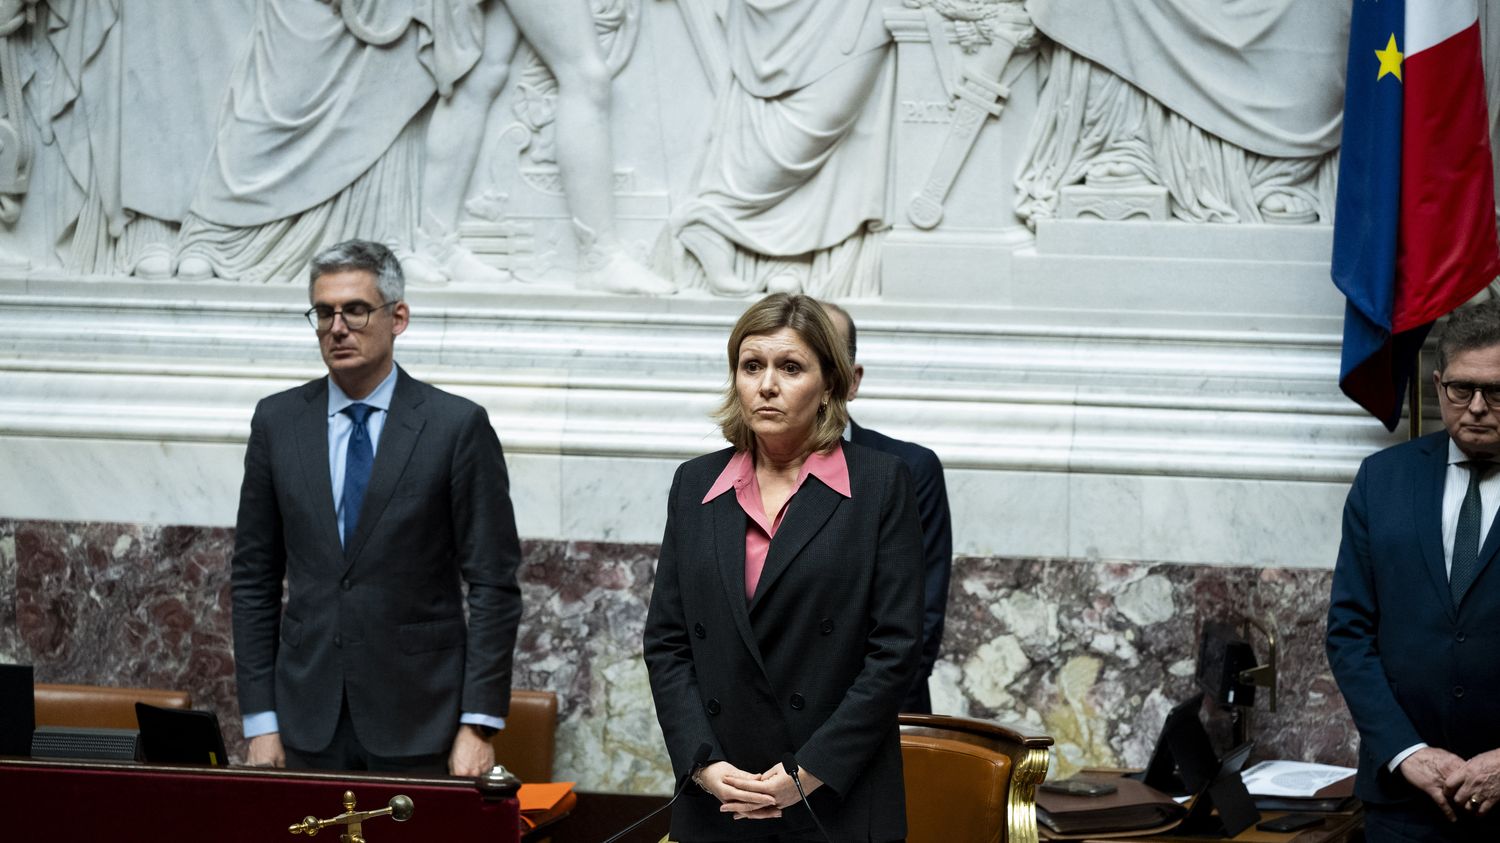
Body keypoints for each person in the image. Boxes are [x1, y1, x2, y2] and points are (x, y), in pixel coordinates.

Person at [230, 239, 524, 775]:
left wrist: (477, 725)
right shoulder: (278, 423)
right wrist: (261, 721)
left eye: (356, 310)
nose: (337, 327)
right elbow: (253, 578)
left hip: (423, 720)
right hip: (304, 722)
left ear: (398, 317)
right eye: (324, 312)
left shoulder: (454, 427)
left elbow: (493, 585)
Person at [643, 293, 924, 841]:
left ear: (830, 384)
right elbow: (668, 642)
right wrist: (702, 764)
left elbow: (895, 651)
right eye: (752, 366)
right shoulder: (694, 483)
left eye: (790, 367)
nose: (766, 384)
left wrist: (810, 772)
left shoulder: (882, 484)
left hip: (837, 796)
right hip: (720, 794)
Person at [1327, 300, 1500, 841]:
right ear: (1437, 382)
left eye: (1497, 392)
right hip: (1405, 803)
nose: (1476, 407)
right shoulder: (1382, 480)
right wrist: (1406, 751)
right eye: (1461, 389)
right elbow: (1349, 633)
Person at [821, 302, 952, 714]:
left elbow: (919, 623)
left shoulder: (909, 469)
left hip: (884, 720)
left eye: (824, 359)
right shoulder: (729, 475)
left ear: (851, 379)